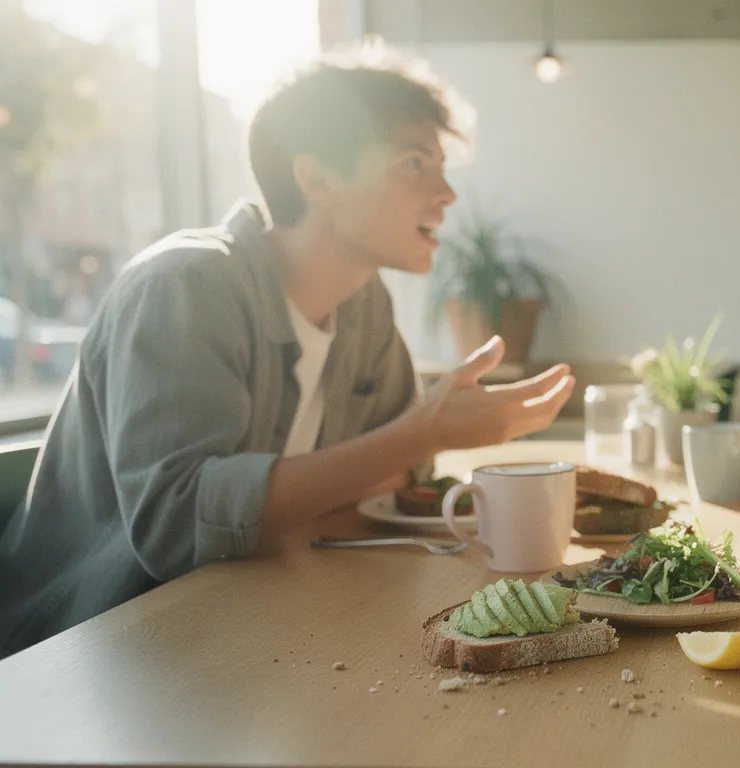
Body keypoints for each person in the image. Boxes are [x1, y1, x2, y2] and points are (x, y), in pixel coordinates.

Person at [0, 43, 575, 657]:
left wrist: (412, 443)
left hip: (246, 628)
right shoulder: (184, 286)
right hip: (89, 653)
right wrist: (419, 435)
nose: (446, 193)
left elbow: (400, 480)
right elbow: (176, 525)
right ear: (317, 177)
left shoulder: (363, 304)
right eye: (414, 163)